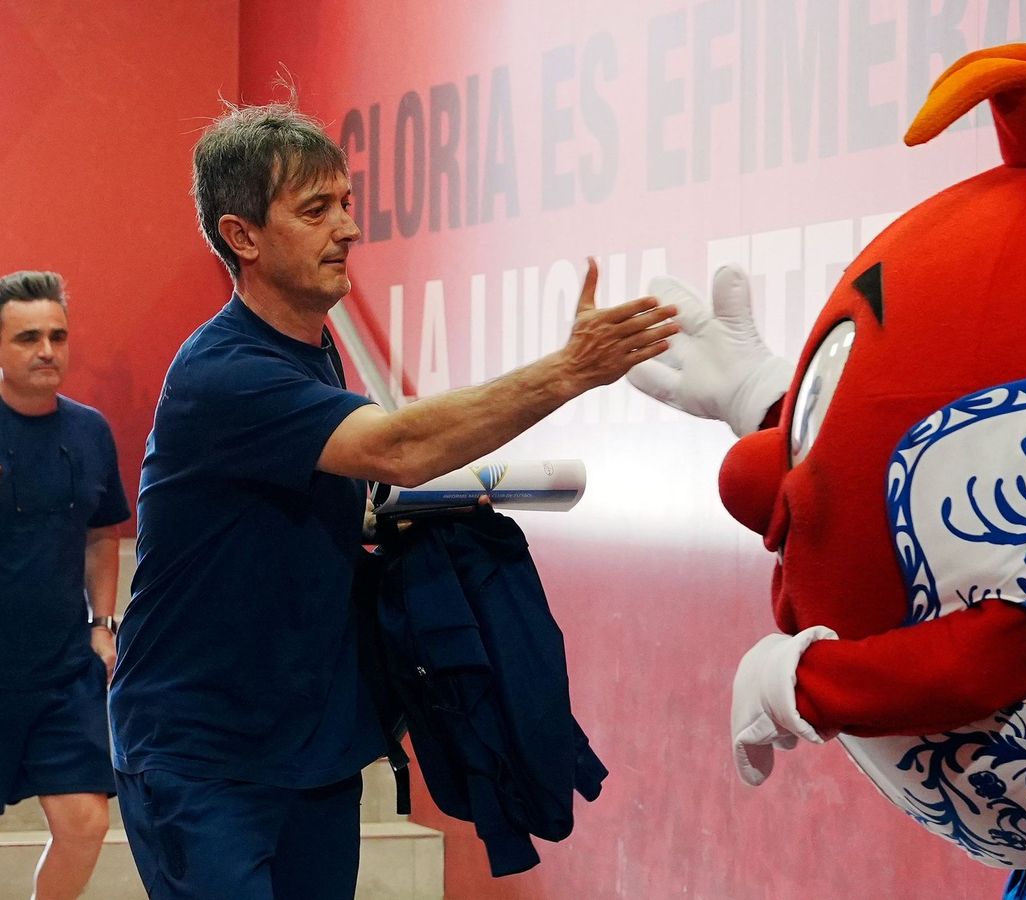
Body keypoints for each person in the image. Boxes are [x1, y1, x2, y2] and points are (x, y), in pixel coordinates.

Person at [107, 99, 678, 900]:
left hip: (312, 749)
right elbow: (400, 447)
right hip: (203, 758)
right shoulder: (223, 374)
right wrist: (569, 371)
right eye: (315, 210)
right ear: (243, 237)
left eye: (345, 203)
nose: (347, 227)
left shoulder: (317, 348)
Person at [0, 270, 130, 900]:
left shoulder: (89, 431)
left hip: (61, 667)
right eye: (27, 337)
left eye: (56, 335)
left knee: (85, 822)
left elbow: (103, 534)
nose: (46, 350)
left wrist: (102, 625)